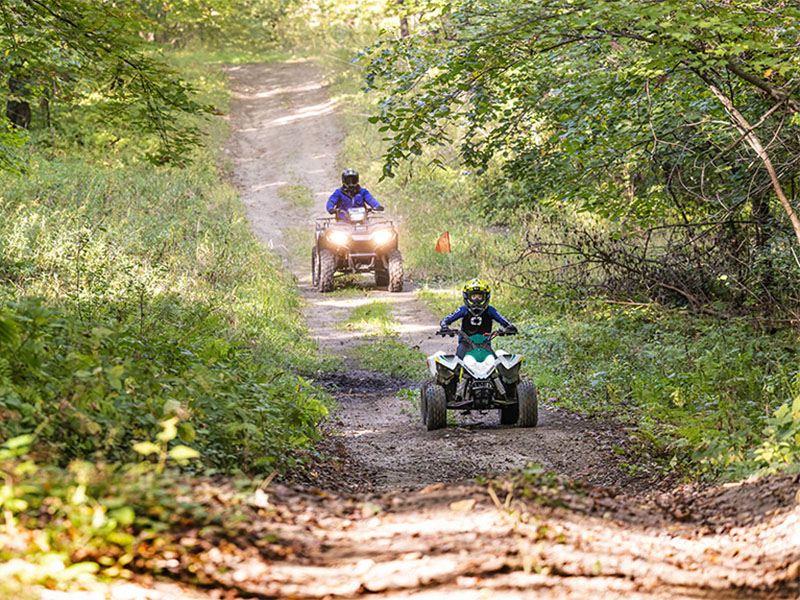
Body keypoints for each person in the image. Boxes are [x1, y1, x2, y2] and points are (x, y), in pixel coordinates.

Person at [439, 279, 517, 359]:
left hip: (485, 344)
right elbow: (446, 320)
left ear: (485, 297)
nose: (476, 300)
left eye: (480, 297)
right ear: (467, 297)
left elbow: (505, 321)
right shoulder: (464, 309)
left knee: (495, 364)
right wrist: (445, 327)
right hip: (465, 344)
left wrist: (509, 328)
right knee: (458, 364)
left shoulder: (490, 310)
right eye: (473, 296)